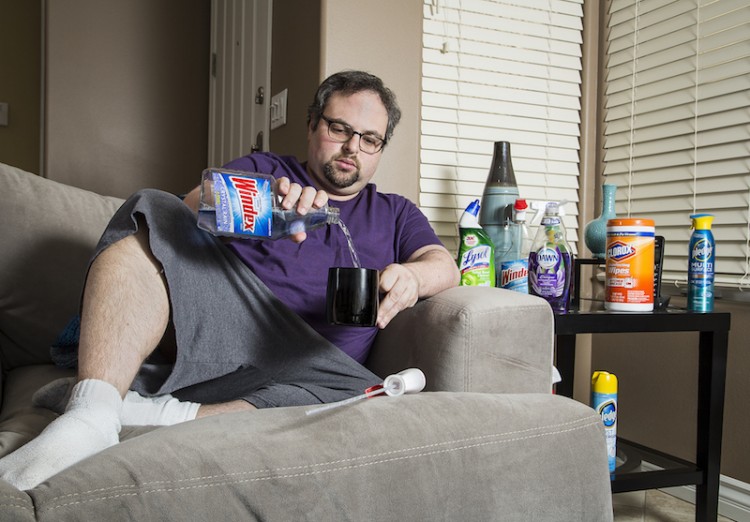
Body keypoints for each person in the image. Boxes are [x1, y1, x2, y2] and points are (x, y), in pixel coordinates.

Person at [0, 70, 459, 490]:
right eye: (339, 129)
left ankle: (118, 409)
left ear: (381, 148)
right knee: (155, 206)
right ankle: (88, 417)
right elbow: (193, 203)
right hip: (227, 331)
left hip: (316, 367)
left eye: (370, 139)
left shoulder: (395, 212)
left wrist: (414, 277)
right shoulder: (268, 171)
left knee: (367, 395)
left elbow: (445, 264)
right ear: (313, 125)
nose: (352, 147)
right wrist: (266, 202)